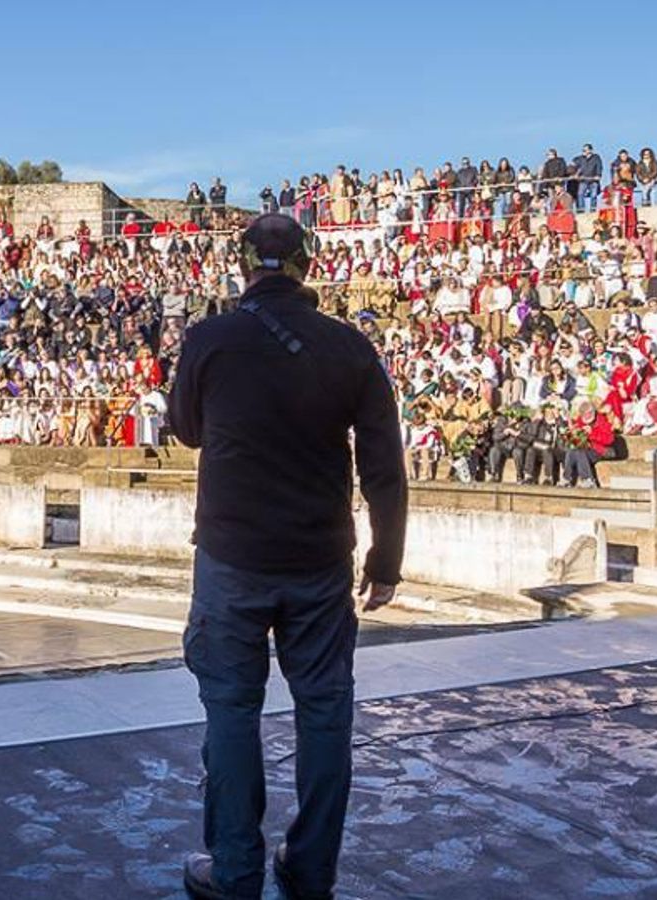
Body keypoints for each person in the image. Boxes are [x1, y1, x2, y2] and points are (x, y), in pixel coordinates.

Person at [169, 214, 408, 900]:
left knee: (232, 713)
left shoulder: (210, 339)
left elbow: (186, 430)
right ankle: (310, 871)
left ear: (242, 263)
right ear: (308, 262)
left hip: (231, 558)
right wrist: (385, 562)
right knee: (326, 714)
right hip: (320, 562)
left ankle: (236, 872)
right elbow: (384, 467)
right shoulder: (350, 348)